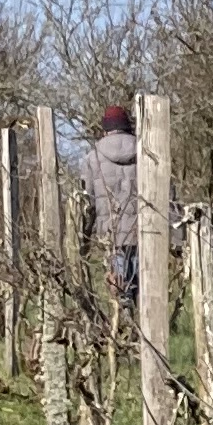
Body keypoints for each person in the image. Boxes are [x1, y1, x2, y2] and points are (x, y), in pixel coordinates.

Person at [88, 104, 140, 310]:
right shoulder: (145, 151)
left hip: (111, 231)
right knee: (140, 285)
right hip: (141, 230)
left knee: (119, 284)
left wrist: (86, 233)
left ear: (105, 128)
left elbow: (87, 200)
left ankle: (123, 317)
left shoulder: (93, 156)